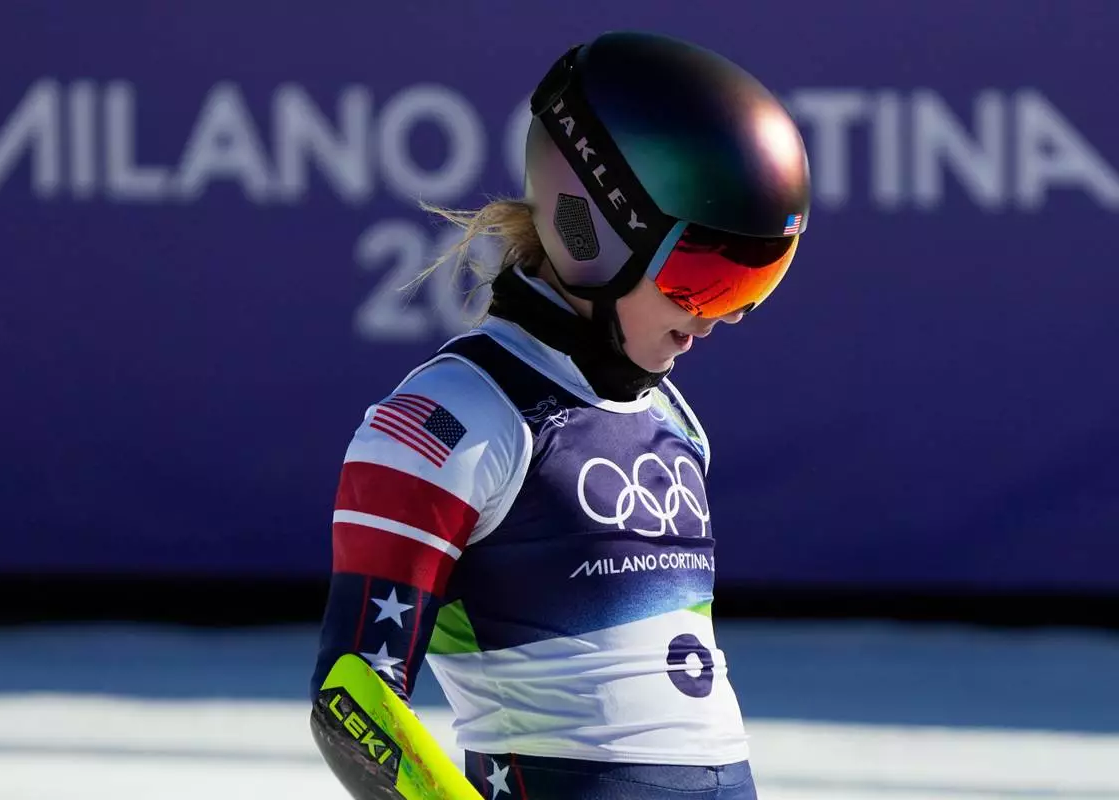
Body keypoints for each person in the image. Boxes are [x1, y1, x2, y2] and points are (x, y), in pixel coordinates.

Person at [309, 30, 810, 800]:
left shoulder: (672, 419)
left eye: (755, 283)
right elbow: (353, 701)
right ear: (597, 234)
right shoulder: (453, 417)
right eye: (703, 278)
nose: (724, 317)